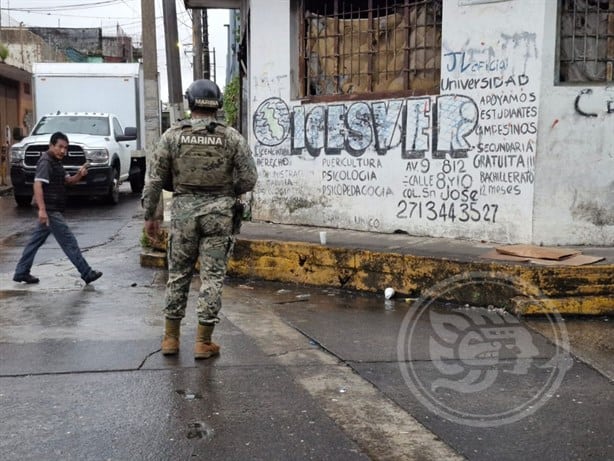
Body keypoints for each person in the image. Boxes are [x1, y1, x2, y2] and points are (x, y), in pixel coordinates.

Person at [142, 79, 258, 360]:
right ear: (217, 104)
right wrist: (225, 190)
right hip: (219, 214)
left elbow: (156, 179)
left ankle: (170, 339)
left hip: (183, 213)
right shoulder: (231, 137)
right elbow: (249, 178)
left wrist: (150, 216)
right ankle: (203, 342)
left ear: (190, 103)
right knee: (212, 277)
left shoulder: (172, 136)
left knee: (178, 274)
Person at [13, 131, 103, 285]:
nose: (63, 151)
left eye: (65, 148)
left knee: (35, 241)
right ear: (51, 145)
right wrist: (42, 210)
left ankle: (21, 272)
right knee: (69, 241)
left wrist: (80, 174)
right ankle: (86, 273)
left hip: (52, 208)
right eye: (60, 147)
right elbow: (38, 184)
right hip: (50, 209)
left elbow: (69, 181)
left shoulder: (56, 162)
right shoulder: (45, 162)